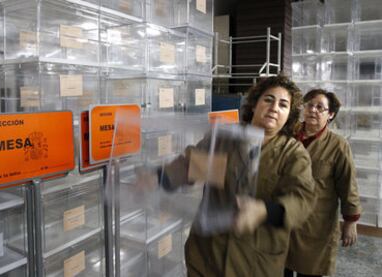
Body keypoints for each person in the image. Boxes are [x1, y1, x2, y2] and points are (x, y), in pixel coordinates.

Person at [152, 75, 316, 276]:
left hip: (254, 262)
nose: (274, 108)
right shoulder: (223, 139)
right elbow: (190, 167)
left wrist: (264, 211)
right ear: (254, 104)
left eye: (283, 105)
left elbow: (302, 199)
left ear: (289, 115)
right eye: (268, 99)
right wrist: (157, 178)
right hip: (207, 254)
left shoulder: (293, 154)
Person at [285, 89, 362, 277]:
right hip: (284, 219)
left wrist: (350, 220)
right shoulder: (287, 135)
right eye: (310, 105)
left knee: (310, 271)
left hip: (316, 224)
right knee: (279, 268)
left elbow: (348, 184)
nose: (313, 110)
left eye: (320, 107)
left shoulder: (338, 145)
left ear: (330, 114)